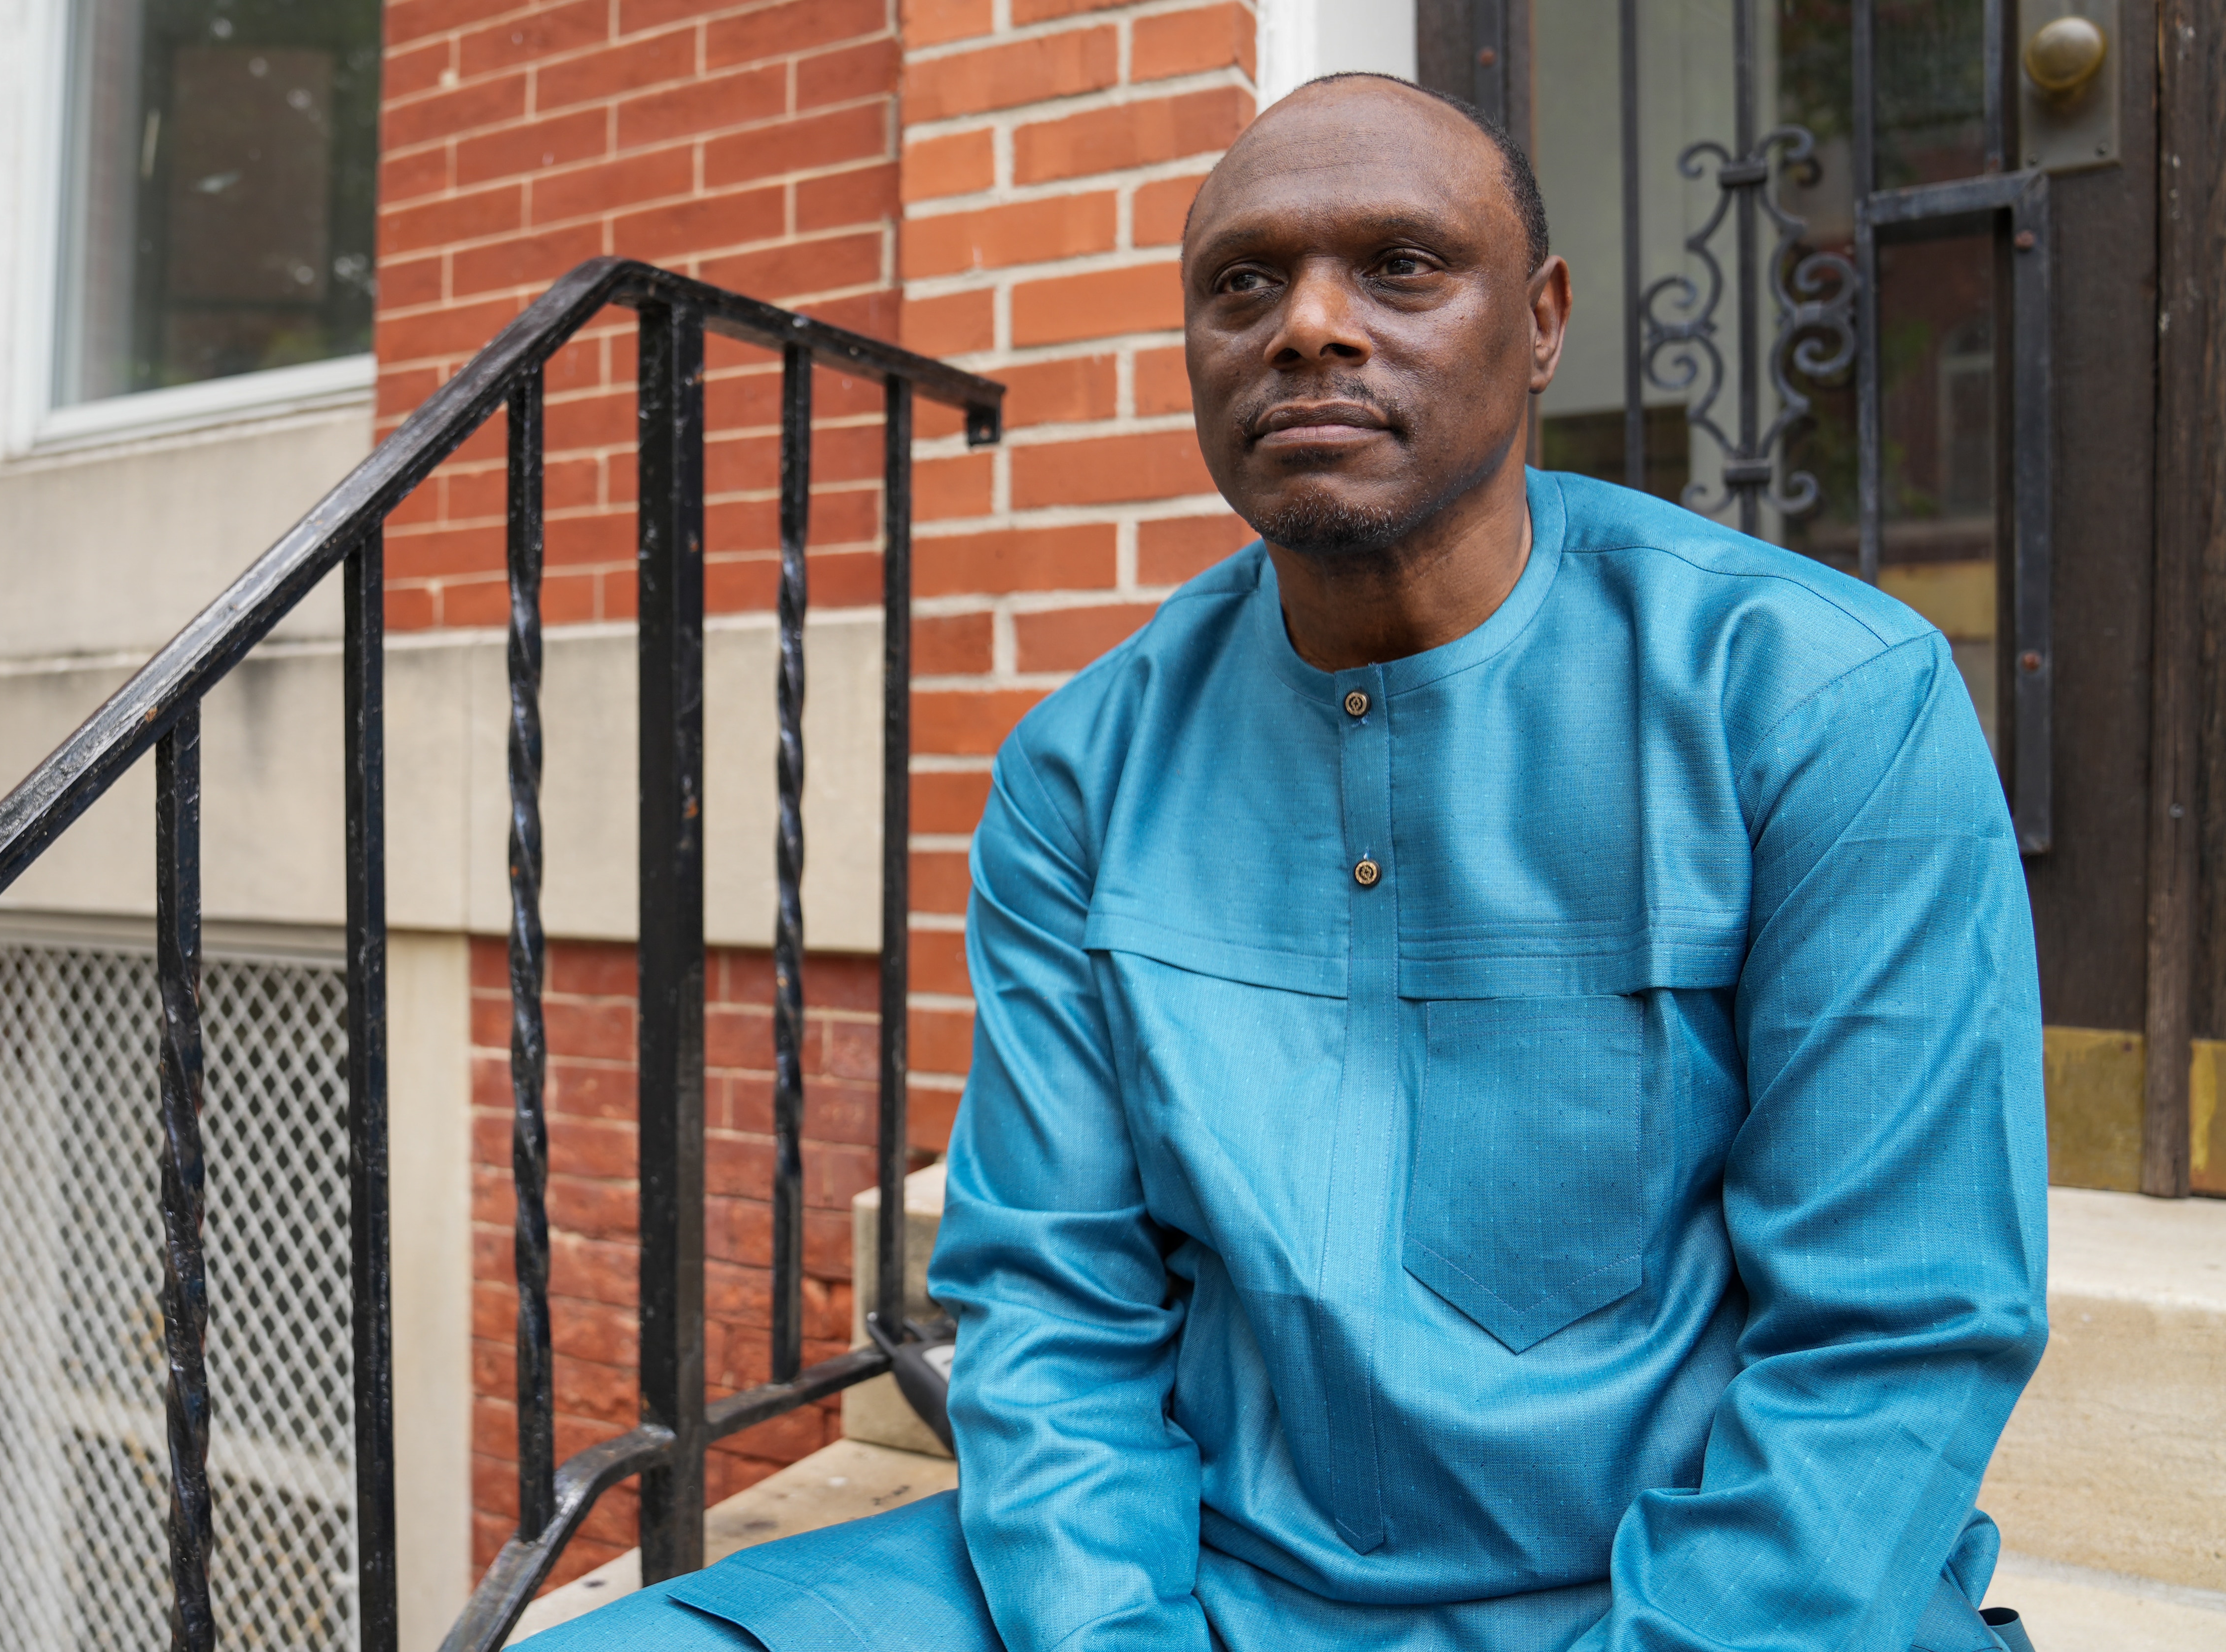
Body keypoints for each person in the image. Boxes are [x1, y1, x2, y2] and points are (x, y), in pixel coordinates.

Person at [529, 72, 2049, 1652]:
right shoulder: (1085, 769)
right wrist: (1120, 1633)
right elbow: (1056, 1304)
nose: (1308, 326)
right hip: (1208, 1578)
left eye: (1400, 266)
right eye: (1242, 283)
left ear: (1541, 323)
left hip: (1680, 1595)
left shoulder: (1819, 701)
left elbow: (1896, 1338)